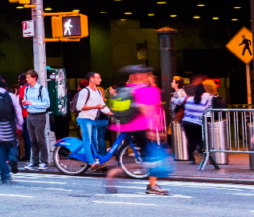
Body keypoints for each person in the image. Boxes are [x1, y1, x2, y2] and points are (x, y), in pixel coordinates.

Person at [106, 65, 169, 195]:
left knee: (148, 158)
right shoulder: (148, 90)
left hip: (131, 126)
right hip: (144, 127)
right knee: (152, 158)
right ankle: (151, 185)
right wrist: (154, 129)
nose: (149, 76)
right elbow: (147, 109)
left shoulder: (126, 89)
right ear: (139, 75)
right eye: (148, 74)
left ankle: (114, 174)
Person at [0, 75, 24, 184]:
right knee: (12, 145)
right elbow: (18, 110)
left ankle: (5, 176)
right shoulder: (11, 96)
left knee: (0, 152)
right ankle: (12, 158)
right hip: (9, 126)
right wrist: (19, 124)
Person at [173, 76, 217, 169]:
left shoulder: (188, 99)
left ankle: (191, 158)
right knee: (199, 139)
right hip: (198, 122)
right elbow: (208, 110)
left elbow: (175, 101)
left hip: (186, 122)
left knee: (190, 140)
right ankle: (199, 150)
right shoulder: (205, 100)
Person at [74, 72, 109, 163]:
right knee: (87, 141)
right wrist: (95, 107)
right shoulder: (85, 91)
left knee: (95, 142)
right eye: (98, 78)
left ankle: (96, 160)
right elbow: (79, 107)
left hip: (93, 119)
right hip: (84, 119)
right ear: (92, 79)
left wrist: (112, 113)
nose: (100, 80)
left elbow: (102, 106)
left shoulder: (98, 92)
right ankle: (91, 163)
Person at [18, 70, 50, 171]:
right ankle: (34, 162)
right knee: (33, 140)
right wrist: (25, 103)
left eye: (28, 77)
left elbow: (46, 104)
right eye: (26, 77)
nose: (27, 79)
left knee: (40, 140)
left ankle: (44, 161)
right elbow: (25, 103)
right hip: (30, 115)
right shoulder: (27, 89)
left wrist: (31, 103)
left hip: (39, 115)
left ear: (34, 77)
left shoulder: (41, 89)